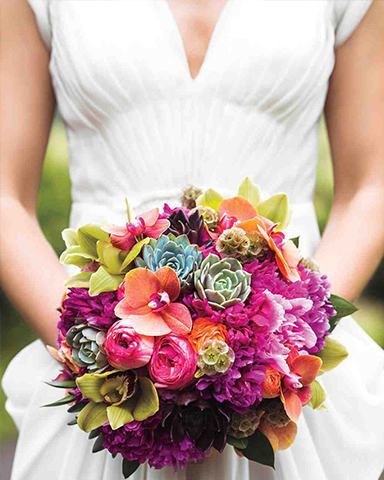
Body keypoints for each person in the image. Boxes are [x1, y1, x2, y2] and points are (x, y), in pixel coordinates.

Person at [1, 0, 384, 479]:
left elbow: (371, 189)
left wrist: (281, 342)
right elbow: (4, 198)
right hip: (99, 366)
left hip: (285, 367)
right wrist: (98, 349)